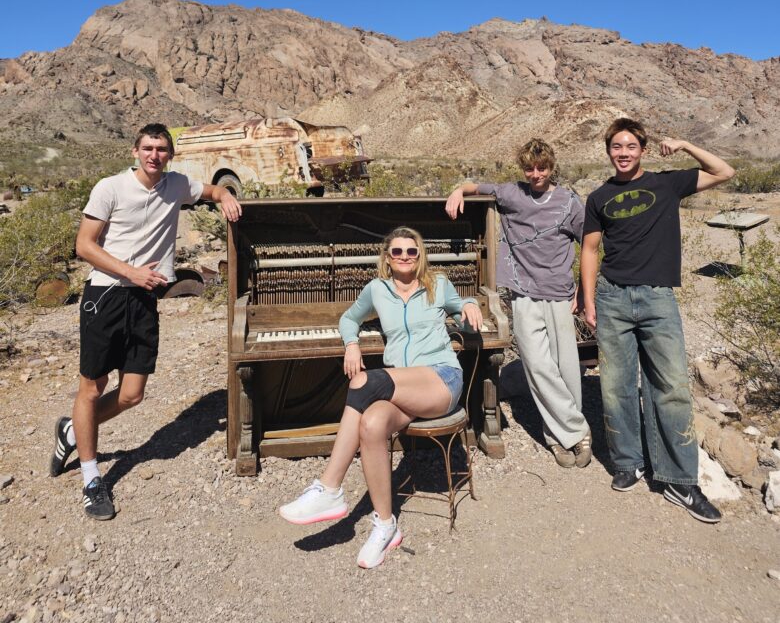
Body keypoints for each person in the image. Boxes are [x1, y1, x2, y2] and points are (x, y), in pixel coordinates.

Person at [49, 123, 242, 520]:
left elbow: (209, 190)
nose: (154, 155)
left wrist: (224, 196)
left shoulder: (176, 185)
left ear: (170, 155)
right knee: (92, 387)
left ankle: (71, 432)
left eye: (161, 149)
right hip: (105, 294)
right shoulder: (111, 187)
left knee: (132, 393)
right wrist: (130, 272)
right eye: (148, 148)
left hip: (144, 298)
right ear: (135, 151)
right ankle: (91, 478)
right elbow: (84, 245)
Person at [278, 226, 483, 569]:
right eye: (398, 252)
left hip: (440, 379)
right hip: (403, 390)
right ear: (387, 258)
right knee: (372, 424)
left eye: (412, 251)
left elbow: (463, 302)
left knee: (362, 382)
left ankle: (329, 489)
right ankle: (386, 526)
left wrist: (472, 304)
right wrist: (352, 342)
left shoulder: (438, 285)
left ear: (420, 256)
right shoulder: (377, 289)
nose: (405, 257)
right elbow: (349, 318)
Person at [580, 118, 734, 523]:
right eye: (617, 146)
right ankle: (628, 462)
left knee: (670, 387)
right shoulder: (598, 197)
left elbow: (725, 171)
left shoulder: (668, 183)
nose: (624, 152)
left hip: (657, 297)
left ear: (642, 149)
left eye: (631, 145)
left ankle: (679, 479)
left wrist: (685, 144)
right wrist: (588, 299)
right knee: (615, 387)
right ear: (609, 151)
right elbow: (590, 249)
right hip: (612, 297)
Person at [446, 138, 591, 469]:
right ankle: (575, 432)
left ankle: (559, 435)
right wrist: (458, 191)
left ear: (552, 167)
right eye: (529, 168)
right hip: (523, 294)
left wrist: (584, 291)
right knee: (537, 367)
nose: (536, 174)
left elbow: (591, 245)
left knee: (566, 367)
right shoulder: (512, 193)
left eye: (542, 168)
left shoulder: (569, 202)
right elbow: (473, 185)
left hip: (559, 294)